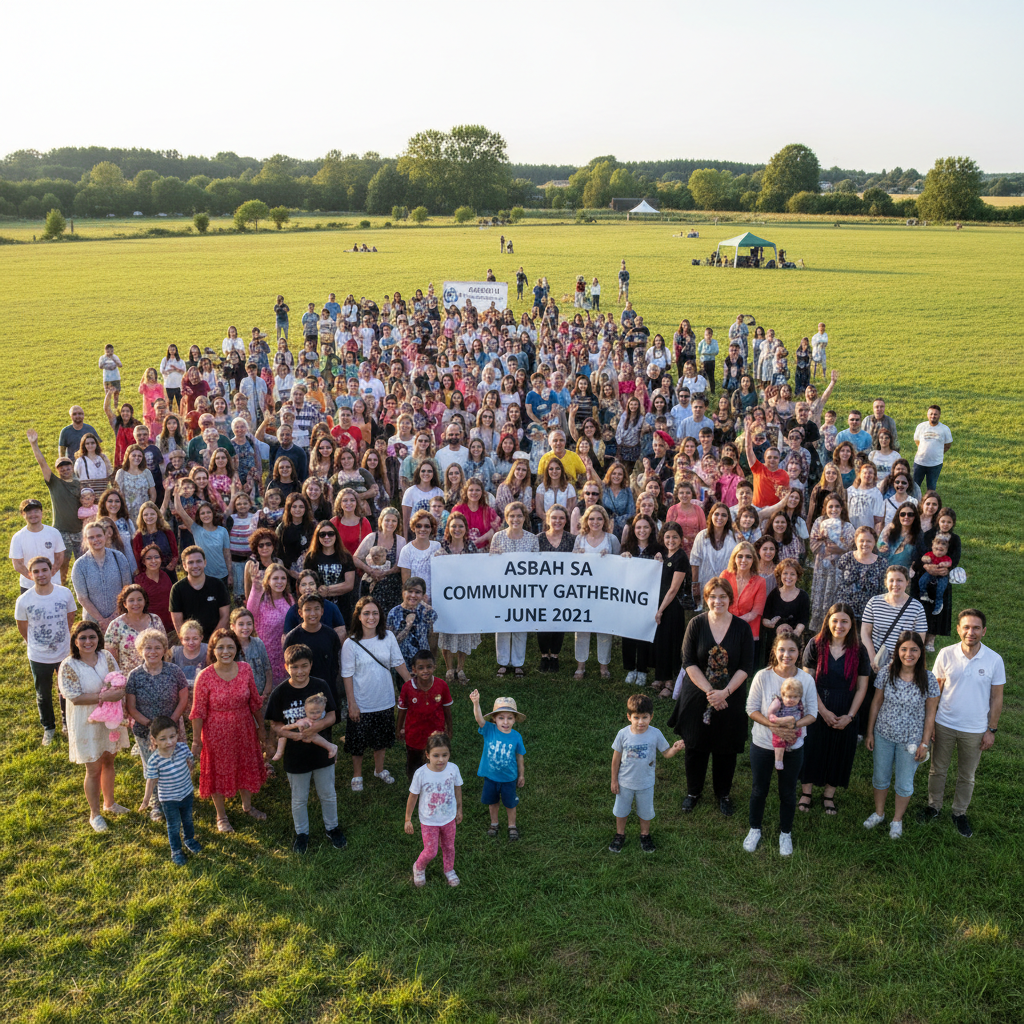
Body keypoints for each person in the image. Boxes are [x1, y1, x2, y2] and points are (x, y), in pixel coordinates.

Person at [667, 577, 755, 817]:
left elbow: (746, 666)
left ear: (730, 599)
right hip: (697, 696)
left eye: (723, 596)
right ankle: (693, 792)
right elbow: (688, 662)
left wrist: (724, 693)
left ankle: (723, 794)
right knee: (695, 745)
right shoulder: (696, 624)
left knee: (726, 747)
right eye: (713, 596)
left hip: (730, 697)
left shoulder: (742, 628)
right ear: (706, 599)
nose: (718, 601)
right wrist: (710, 692)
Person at [921, 609, 1004, 838]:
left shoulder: (994, 660)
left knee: (967, 775)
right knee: (937, 770)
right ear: (958, 629)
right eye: (966, 627)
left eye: (976, 628)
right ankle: (933, 806)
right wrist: (931, 723)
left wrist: (991, 729)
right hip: (944, 724)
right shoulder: (946, 654)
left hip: (975, 729)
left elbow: (997, 697)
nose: (971, 632)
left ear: (984, 631)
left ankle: (959, 813)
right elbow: (935, 691)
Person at [743, 634, 819, 855]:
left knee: (787, 792)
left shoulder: (806, 680)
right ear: (774, 651)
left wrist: (792, 725)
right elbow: (751, 708)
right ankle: (755, 828)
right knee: (759, 789)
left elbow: (812, 714)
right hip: (763, 744)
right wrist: (773, 726)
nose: (787, 655)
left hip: (793, 747)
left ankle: (785, 833)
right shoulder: (762, 676)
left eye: (792, 650)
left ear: (799, 652)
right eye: (782, 650)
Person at [190, 627, 268, 832]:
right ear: (213, 650)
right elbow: (197, 712)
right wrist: (196, 741)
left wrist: (261, 729)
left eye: (230, 647)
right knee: (218, 771)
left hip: (244, 728)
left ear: (237, 649)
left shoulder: (245, 669)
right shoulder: (205, 676)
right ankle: (221, 816)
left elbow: (255, 702)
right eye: (220, 647)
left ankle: (247, 806)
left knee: (244, 765)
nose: (226, 651)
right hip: (216, 733)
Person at [863, 632, 939, 839]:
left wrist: (925, 743)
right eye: (904, 649)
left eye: (914, 649)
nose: (908, 654)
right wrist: (869, 732)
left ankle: (897, 820)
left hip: (911, 741)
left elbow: (930, 714)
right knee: (880, 777)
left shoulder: (929, 679)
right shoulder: (886, 673)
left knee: (904, 783)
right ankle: (879, 813)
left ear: (921, 652)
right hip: (883, 735)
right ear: (897, 651)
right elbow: (876, 703)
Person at [57, 620, 131, 832]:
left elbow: (118, 680)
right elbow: (74, 697)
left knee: (109, 760)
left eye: (92, 637)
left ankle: (110, 803)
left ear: (98, 638)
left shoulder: (106, 657)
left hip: (110, 719)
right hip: (86, 721)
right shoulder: (69, 665)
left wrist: (119, 693)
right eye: (83, 638)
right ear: (75, 641)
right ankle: (95, 814)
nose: (88, 641)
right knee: (93, 768)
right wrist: (104, 696)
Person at [798, 604, 870, 815]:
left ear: (851, 624)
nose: (839, 625)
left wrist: (850, 716)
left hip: (846, 707)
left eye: (844, 621)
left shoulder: (860, 650)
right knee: (812, 748)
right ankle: (806, 792)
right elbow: (807, 682)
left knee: (840, 751)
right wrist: (822, 710)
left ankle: (829, 794)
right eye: (835, 620)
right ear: (828, 621)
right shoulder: (815, 644)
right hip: (816, 704)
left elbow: (862, 687)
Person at [341, 596, 413, 792]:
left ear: (380, 615)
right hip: (361, 702)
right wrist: (352, 703)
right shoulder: (350, 643)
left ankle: (379, 770)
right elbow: (347, 675)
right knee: (357, 741)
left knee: (381, 740)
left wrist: (412, 685)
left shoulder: (388, 637)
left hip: (384, 699)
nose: (371, 617)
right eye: (366, 613)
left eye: (375, 613)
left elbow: (398, 663)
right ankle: (357, 774)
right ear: (358, 616)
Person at [608, 692, 686, 854]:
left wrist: (675, 749)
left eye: (645, 717)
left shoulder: (655, 734)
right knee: (621, 810)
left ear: (651, 716)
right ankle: (620, 835)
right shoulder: (623, 734)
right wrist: (614, 780)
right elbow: (616, 759)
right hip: (624, 783)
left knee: (645, 811)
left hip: (646, 783)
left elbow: (666, 753)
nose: (641, 722)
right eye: (636, 717)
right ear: (629, 717)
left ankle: (645, 835)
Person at [15, 556, 77, 744]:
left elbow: (70, 616)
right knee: (43, 693)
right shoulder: (24, 600)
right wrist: (33, 643)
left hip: (63, 652)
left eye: (44, 570)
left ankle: (67, 722)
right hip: (38, 655)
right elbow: (22, 626)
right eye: (36, 571)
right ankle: (49, 727)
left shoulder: (64, 593)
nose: (41, 574)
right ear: (30, 574)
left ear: (52, 571)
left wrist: (62, 638)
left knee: (66, 689)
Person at [405, 732, 464, 888]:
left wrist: (459, 810)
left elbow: (457, 789)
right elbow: (413, 797)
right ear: (427, 755)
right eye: (436, 755)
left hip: (448, 818)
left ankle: (449, 870)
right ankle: (419, 867)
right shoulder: (421, 774)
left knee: (449, 847)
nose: (441, 760)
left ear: (449, 754)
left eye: (445, 755)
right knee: (431, 851)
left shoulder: (453, 769)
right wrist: (408, 819)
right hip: (429, 820)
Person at [490, 502, 540, 678]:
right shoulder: (497, 537)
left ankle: (518, 663)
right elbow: (491, 564)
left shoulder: (532, 539)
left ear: (524, 517)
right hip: (503, 589)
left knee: (520, 624)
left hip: (524, 589)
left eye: (519, 516)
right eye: (512, 516)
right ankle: (503, 662)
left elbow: (537, 565)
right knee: (503, 624)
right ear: (506, 518)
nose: (515, 519)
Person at [469, 692, 526, 841]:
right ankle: (494, 823)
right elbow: (479, 719)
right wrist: (476, 703)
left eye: (510, 718)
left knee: (510, 804)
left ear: (515, 719)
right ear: (494, 719)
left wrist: (521, 775)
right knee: (493, 802)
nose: (505, 722)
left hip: (509, 779)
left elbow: (520, 757)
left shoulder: (516, 736)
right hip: (491, 778)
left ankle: (512, 826)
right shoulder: (489, 730)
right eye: (501, 717)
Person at [434, 513, 481, 683]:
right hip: (447, 599)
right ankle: (449, 669)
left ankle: (460, 669)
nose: (457, 529)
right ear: (448, 528)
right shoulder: (441, 549)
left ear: (466, 529)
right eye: (453, 526)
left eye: (461, 526)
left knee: (464, 633)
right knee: (447, 633)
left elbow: (480, 568)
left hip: (467, 599)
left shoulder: (471, 548)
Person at [396, 650, 454, 781]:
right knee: (414, 768)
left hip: (436, 736)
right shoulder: (407, 688)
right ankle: (415, 788)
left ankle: (434, 785)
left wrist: (449, 729)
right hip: (414, 736)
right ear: (414, 669)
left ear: (434, 667)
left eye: (429, 667)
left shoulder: (442, 685)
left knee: (436, 765)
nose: (425, 671)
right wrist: (398, 729)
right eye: (421, 668)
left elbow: (447, 710)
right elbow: (402, 710)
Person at [27, 429, 83, 563]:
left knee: (82, 562)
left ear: (72, 467)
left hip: (79, 531)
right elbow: (42, 463)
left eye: (67, 467)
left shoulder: (80, 484)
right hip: (60, 531)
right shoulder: (54, 482)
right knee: (62, 564)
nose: (65, 469)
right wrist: (34, 444)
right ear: (57, 470)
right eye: (61, 467)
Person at [71, 522, 134, 631]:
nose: (96, 540)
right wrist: (102, 621)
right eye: (91, 537)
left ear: (105, 536)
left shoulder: (119, 557)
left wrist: (114, 616)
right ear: (85, 540)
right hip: (93, 623)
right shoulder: (80, 565)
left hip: (120, 619)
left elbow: (127, 589)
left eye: (99, 535)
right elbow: (82, 598)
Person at [169, 546, 230, 641]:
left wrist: (213, 641)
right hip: (190, 642)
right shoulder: (177, 589)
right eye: (190, 562)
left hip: (216, 640)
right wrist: (190, 642)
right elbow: (178, 623)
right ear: (184, 566)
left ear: (205, 563)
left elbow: (225, 617)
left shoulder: (218, 585)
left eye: (198, 561)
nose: (195, 566)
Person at [11, 498, 66, 592]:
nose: (33, 515)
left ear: (41, 513)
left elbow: (59, 557)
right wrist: (34, 578)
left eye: (36, 511)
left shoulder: (54, 533)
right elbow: (18, 564)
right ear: (23, 514)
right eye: (29, 512)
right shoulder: (18, 537)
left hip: (53, 583)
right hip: (28, 586)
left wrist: (48, 575)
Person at [912, 405, 952, 491]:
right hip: (919, 462)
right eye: (931, 414)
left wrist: (937, 452)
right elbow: (917, 441)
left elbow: (948, 444)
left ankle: (929, 500)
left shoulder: (945, 429)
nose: (933, 416)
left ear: (939, 415)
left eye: (935, 414)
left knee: (931, 488)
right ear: (927, 414)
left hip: (935, 464)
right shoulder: (921, 426)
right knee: (914, 487)